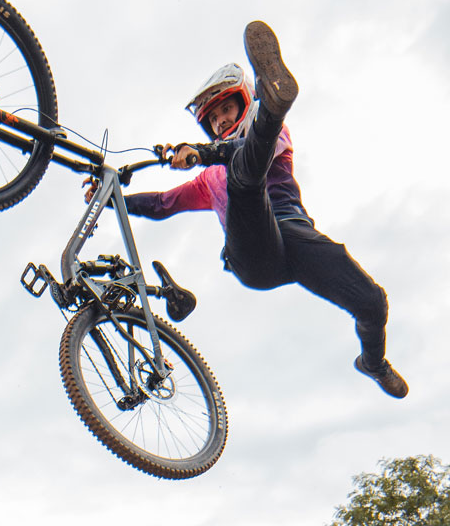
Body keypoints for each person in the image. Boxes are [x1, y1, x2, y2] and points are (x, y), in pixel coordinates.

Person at [117, 22, 407, 398]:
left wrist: (202, 152)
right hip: (254, 254)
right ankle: (274, 105)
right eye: (213, 118)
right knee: (242, 180)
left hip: (296, 236)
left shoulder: (273, 136)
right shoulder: (209, 179)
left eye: (225, 109)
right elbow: (161, 204)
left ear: (244, 103)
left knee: (373, 302)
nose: (220, 120)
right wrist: (113, 197)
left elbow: (248, 149)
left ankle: (373, 363)